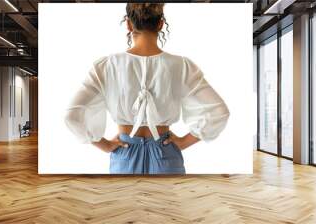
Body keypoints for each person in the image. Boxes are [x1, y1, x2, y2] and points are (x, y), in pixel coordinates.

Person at [64, 3, 230, 174]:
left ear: (128, 24)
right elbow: (219, 112)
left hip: (124, 154)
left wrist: (105, 145)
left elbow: (72, 115)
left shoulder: (106, 66)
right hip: (166, 154)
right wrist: (184, 142)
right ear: (161, 24)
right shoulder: (182, 66)